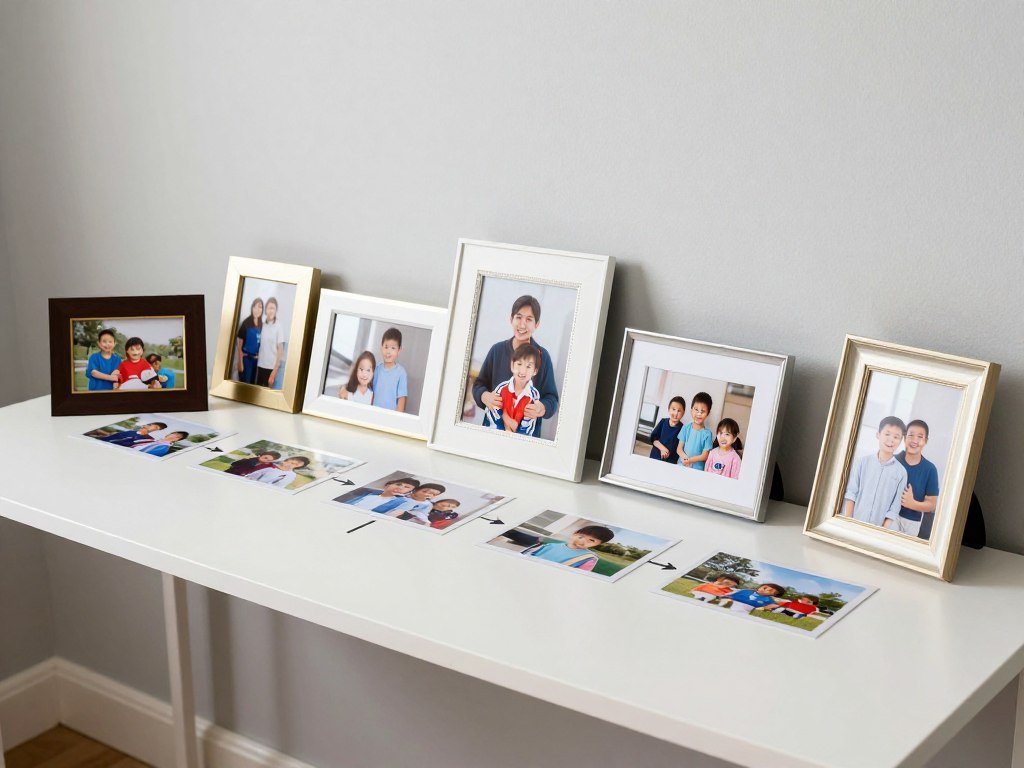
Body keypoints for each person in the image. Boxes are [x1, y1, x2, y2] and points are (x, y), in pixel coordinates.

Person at [472, 295, 559, 438]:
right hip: (491, 435)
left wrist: (542, 408)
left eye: (529, 319)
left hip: (525, 442)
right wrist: (484, 396)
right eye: (518, 317)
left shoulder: (543, 356)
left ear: (537, 324)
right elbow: (478, 385)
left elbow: (552, 399)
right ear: (511, 319)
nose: (522, 325)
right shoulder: (497, 350)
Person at [842, 416, 908, 528]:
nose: (891, 440)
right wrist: (848, 522)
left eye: (896, 437)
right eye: (887, 434)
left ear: (901, 440)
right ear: (878, 434)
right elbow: (852, 493)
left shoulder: (901, 472)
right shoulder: (862, 462)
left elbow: (895, 507)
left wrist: (881, 531)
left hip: (878, 529)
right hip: (854, 522)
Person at [891, 419, 940, 539]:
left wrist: (912, 504)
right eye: (911, 435)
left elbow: (931, 505)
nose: (914, 440)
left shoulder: (930, 469)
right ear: (904, 438)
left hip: (912, 523)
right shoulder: (892, 461)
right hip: (889, 517)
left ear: (926, 441)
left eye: (920, 437)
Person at [481, 344, 542, 435]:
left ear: (535, 371)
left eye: (528, 366)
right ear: (512, 365)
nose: (522, 371)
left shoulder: (534, 396)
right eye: (519, 364)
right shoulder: (502, 388)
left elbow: (528, 424)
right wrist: (505, 427)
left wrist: (516, 436)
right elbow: (493, 413)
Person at [520, 525, 614, 572]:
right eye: (581, 536)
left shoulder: (589, 557)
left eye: (591, 540)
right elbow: (525, 554)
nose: (582, 541)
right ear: (574, 533)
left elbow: (579, 575)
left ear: (597, 544)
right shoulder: (551, 545)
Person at [370, 328, 408, 412]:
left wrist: (397, 418)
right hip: (374, 413)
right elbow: (370, 391)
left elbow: (402, 398)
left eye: (393, 348)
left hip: (390, 417)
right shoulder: (376, 369)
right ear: (381, 347)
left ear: (399, 350)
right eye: (386, 347)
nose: (388, 351)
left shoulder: (401, 372)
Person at [677, 392, 714, 470]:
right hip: (682, 464)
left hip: (697, 469)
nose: (699, 414)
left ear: (708, 413)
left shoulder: (707, 434)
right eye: (696, 409)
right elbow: (679, 449)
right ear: (691, 410)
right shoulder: (685, 428)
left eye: (702, 411)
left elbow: (704, 456)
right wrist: (685, 458)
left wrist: (690, 460)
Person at [343, 478, 420, 513]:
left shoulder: (402, 501)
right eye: (398, 484)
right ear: (388, 485)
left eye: (407, 487)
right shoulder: (368, 493)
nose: (400, 487)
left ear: (409, 492)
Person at [255, 297, 285, 388]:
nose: (271, 311)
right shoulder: (262, 325)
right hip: (260, 365)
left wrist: (275, 370)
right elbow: (259, 343)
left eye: (273, 308)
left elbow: (280, 349)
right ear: (265, 310)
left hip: (271, 368)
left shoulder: (279, 327)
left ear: (276, 311)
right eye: (269, 308)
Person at [235, 297, 263, 384]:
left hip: (256, 361)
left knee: (252, 384)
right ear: (252, 308)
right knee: (244, 384)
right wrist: (240, 363)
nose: (257, 309)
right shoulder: (246, 323)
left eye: (260, 307)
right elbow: (239, 346)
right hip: (246, 360)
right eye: (255, 307)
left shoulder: (261, 324)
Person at [648, 396, 685, 462]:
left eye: (679, 411)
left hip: (670, 461)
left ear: (683, 413)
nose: (676, 413)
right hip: (655, 457)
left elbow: (679, 448)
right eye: (673, 409)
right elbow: (654, 439)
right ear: (669, 409)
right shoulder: (663, 422)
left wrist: (667, 452)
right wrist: (663, 449)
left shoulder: (683, 428)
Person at [719, 583, 785, 614]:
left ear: (773, 595)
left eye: (770, 591)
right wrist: (726, 597)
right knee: (727, 599)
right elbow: (729, 595)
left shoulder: (769, 600)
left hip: (749, 607)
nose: (766, 590)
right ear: (760, 587)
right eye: (765, 588)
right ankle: (726, 604)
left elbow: (773, 607)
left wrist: (769, 607)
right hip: (732, 601)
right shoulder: (745, 591)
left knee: (750, 609)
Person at [99, 421, 167, 446]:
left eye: (157, 429)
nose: (155, 429)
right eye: (155, 426)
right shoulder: (131, 429)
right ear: (151, 424)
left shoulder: (148, 438)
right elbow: (113, 435)